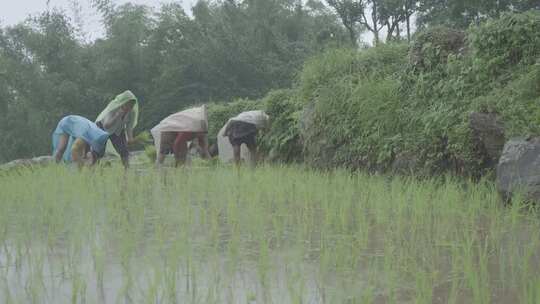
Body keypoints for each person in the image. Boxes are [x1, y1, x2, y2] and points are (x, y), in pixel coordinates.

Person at [96, 90, 139, 168]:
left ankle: (127, 169)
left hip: (118, 130)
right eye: (129, 104)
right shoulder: (113, 108)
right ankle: (93, 168)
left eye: (132, 105)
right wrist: (118, 115)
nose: (131, 107)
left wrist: (130, 139)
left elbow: (129, 127)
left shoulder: (132, 112)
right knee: (99, 151)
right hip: (102, 128)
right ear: (123, 102)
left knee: (124, 149)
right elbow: (106, 125)